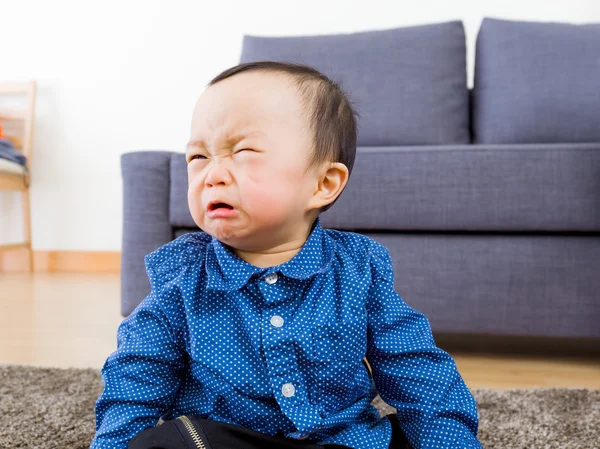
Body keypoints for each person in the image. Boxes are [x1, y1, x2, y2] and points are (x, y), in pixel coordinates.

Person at [90, 61, 482, 449]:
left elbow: (416, 369)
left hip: (341, 438)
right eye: (198, 157)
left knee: (421, 430)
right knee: (165, 442)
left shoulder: (358, 270)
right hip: (225, 438)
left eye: (242, 151)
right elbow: (137, 374)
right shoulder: (182, 277)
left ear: (323, 184)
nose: (213, 174)